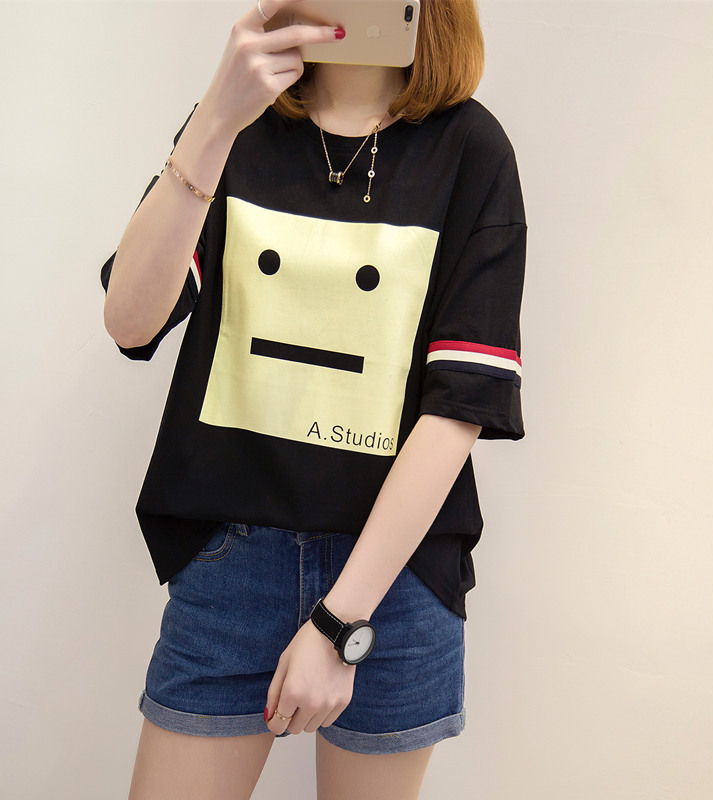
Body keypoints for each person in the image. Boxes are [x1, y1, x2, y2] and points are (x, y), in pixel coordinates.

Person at [101, 0, 526, 797]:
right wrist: (216, 118)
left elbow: (458, 407)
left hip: (394, 581)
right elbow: (130, 320)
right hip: (232, 567)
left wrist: (339, 621)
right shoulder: (236, 128)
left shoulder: (472, 150)